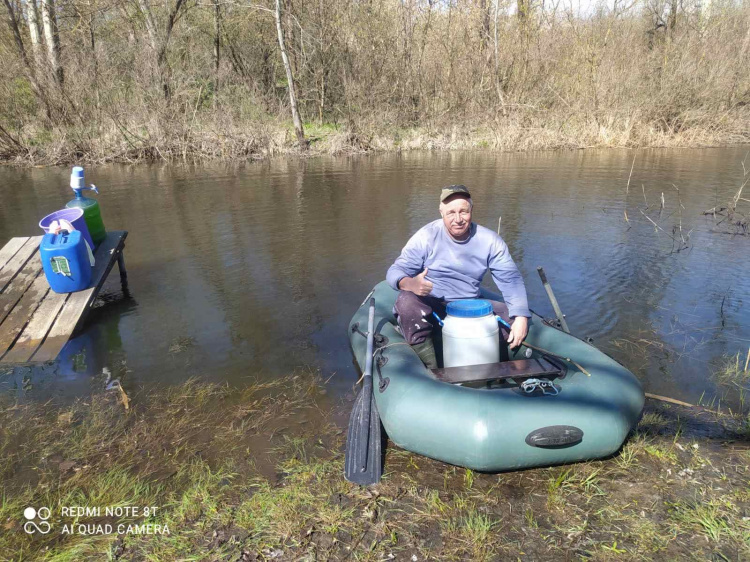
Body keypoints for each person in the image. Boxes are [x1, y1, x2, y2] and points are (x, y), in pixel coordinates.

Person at [386, 184, 530, 368]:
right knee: (407, 302)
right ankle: (429, 370)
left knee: (517, 317)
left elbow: (510, 279)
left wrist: (521, 317)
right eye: (451, 212)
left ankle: (513, 374)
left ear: (472, 210)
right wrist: (410, 284)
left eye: (463, 211)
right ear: (441, 212)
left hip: (470, 306)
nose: (458, 219)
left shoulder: (490, 240)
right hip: (432, 304)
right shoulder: (426, 236)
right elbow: (394, 271)